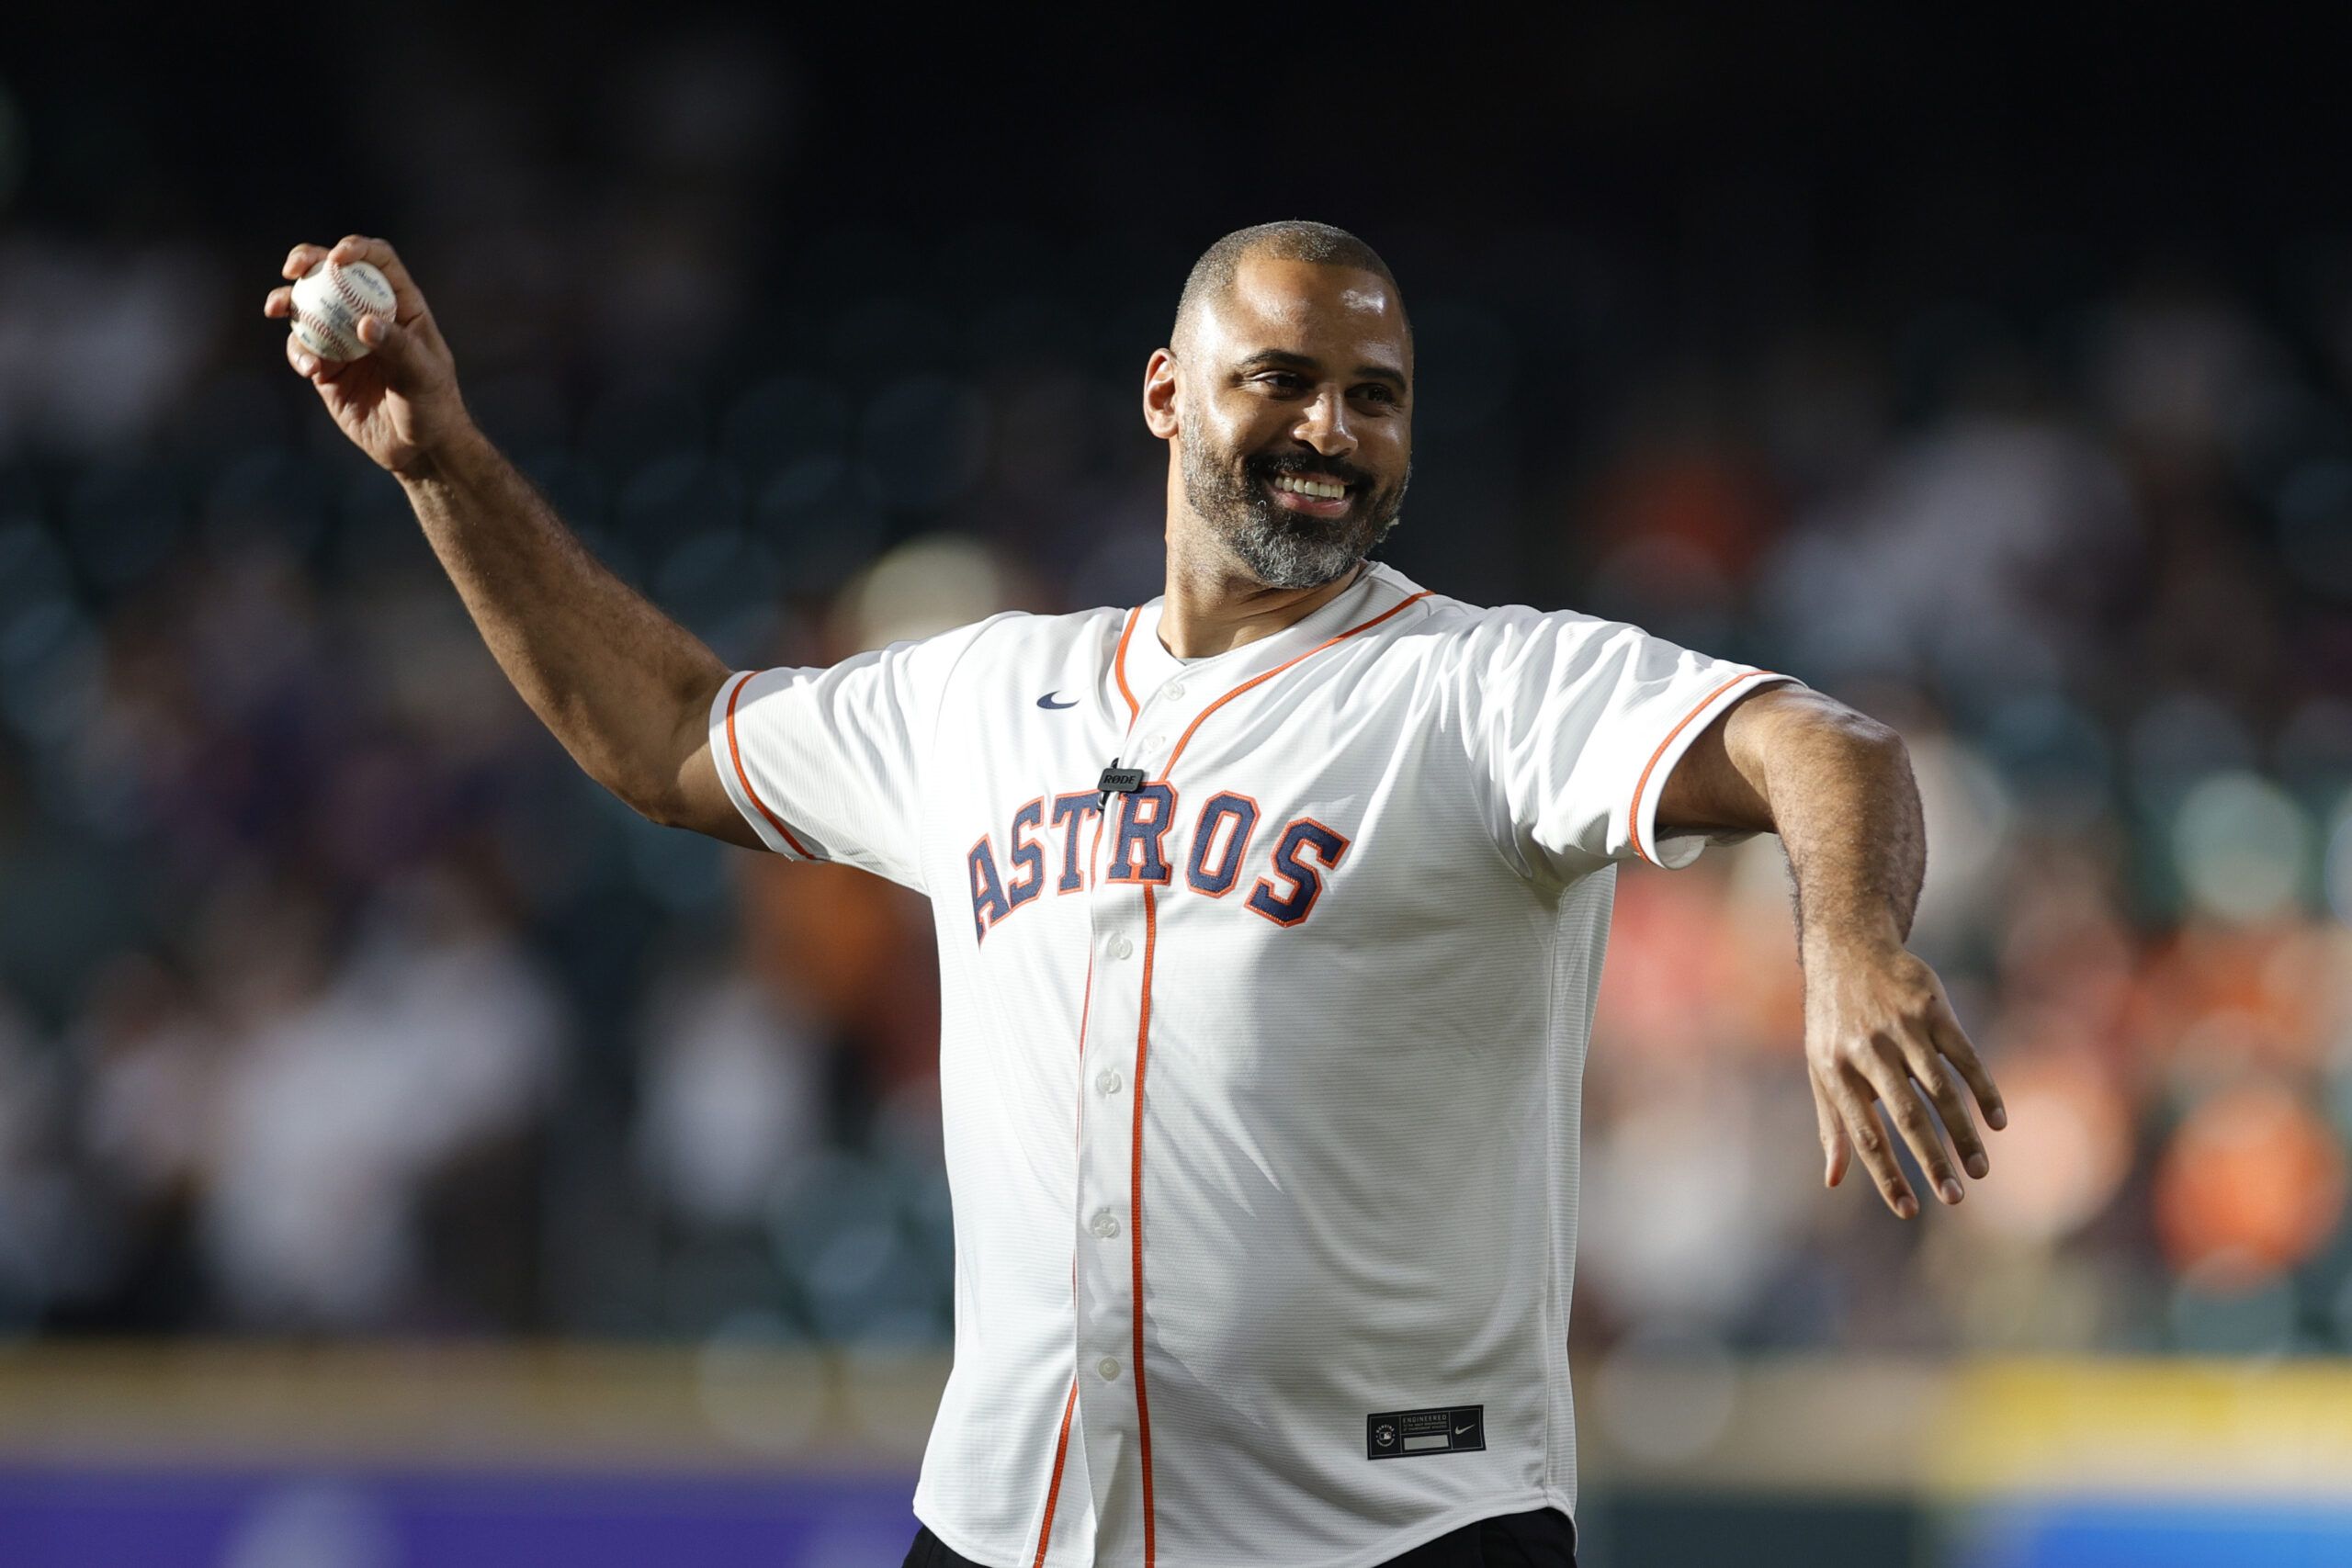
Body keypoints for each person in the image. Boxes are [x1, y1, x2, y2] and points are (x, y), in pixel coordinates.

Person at [266, 220, 2007, 1568]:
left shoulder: (1482, 692)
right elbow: (666, 736)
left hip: (1391, 1535)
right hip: (1015, 1524)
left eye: (1377, 396)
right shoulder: (975, 697)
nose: (1330, 428)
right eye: (1282, 379)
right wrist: (442, 465)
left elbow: (1818, 741)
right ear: (1170, 394)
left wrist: (1850, 943)